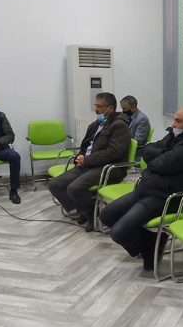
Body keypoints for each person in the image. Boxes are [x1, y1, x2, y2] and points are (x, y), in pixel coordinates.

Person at [99, 107, 183, 270]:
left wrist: (157, 160)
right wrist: (163, 155)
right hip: (148, 188)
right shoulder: (175, 135)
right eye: (174, 119)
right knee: (106, 215)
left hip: (167, 197)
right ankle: (153, 241)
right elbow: (147, 149)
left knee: (118, 232)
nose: (173, 124)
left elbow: (162, 163)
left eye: (178, 121)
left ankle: (150, 246)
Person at [49, 92, 131, 231]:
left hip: (109, 168)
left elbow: (113, 152)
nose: (96, 109)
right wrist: (80, 157)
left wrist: (87, 160)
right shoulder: (98, 124)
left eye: (100, 106)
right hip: (89, 164)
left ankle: (91, 215)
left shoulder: (119, 126)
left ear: (110, 108)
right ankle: (84, 210)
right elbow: (86, 145)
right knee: (55, 185)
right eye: (95, 105)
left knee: (74, 188)